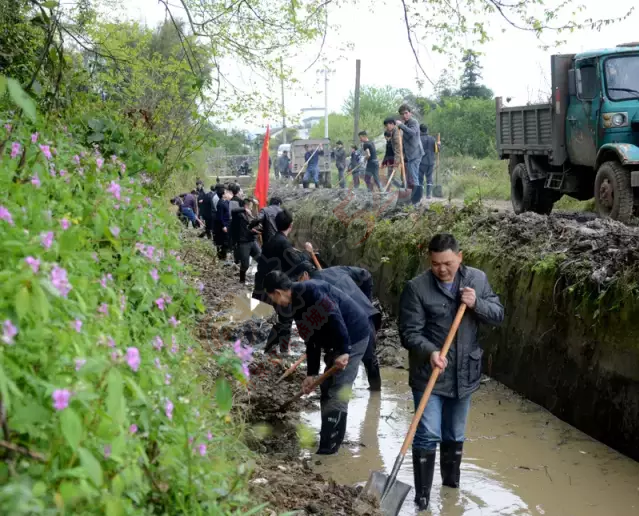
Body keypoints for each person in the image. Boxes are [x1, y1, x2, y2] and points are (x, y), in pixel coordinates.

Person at [398, 233, 504, 511]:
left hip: (465, 373)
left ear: (460, 257)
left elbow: (498, 314)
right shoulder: (417, 288)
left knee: (455, 434)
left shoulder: (477, 281)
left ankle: (450, 490)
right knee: (428, 433)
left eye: (447, 262)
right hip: (429, 373)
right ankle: (422, 499)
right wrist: (430, 352)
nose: (442, 269)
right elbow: (409, 333)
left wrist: (476, 303)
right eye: (435, 264)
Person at [263, 270, 373, 454]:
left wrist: (345, 351)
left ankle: (329, 449)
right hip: (335, 340)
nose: (275, 303)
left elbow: (335, 316)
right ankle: (326, 437)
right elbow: (311, 340)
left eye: (272, 298)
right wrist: (311, 374)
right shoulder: (296, 304)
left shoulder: (310, 291)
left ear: (278, 292)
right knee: (326, 387)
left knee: (338, 390)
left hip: (353, 335)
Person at [291, 257, 382, 391]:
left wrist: (364, 302)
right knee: (367, 359)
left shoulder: (315, 290)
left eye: (298, 282)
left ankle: (373, 396)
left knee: (366, 357)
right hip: (355, 318)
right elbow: (365, 274)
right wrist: (366, 300)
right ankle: (374, 394)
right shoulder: (337, 270)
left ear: (305, 275)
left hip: (359, 321)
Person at [253, 209, 300, 353]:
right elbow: (297, 266)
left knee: (279, 321)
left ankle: (268, 348)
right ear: (291, 225)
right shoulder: (284, 244)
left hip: (263, 286)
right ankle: (283, 351)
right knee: (286, 321)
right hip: (278, 289)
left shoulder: (269, 241)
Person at [396, 104, 424, 204]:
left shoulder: (414, 122)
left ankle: (416, 201)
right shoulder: (406, 124)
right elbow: (404, 142)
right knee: (409, 178)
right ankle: (412, 198)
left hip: (415, 154)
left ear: (410, 113)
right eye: (402, 114)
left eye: (406, 113)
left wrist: (401, 125)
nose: (404, 116)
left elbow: (412, 133)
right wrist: (402, 155)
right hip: (409, 155)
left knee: (414, 176)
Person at [231, 197, 261, 284]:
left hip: (252, 240)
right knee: (245, 264)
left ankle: (261, 278)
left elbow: (251, 227)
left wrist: (255, 231)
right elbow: (233, 210)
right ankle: (242, 280)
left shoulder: (251, 215)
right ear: (246, 206)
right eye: (250, 206)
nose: (251, 208)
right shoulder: (238, 215)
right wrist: (244, 209)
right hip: (243, 242)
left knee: (260, 258)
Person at [419, 124, 437, 202]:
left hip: (421, 162)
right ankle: (428, 195)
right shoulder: (432, 139)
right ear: (427, 130)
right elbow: (437, 150)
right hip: (431, 161)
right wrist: (439, 145)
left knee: (420, 178)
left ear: (420, 130)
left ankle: (420, 195)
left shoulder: (418, 139)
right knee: (429, 177)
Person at [215, 186, 232, 260]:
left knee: (226, 241)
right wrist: (223, 225)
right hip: (223, 225)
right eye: (225, 192)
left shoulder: (225, 201)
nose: (227, 193)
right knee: (223, 241)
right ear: (222, 194)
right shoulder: (221, 204)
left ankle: (224, 256)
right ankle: (222, 257)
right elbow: (220, 216)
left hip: (227, 223)